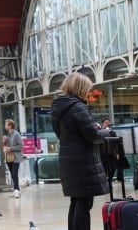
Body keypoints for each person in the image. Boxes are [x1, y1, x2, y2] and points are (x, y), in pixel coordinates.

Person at [51, 73, 110, 230]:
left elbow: (62, 134)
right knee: (84, 203)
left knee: (76, 201)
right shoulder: (77, 107)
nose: (88, 92)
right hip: (82, 161)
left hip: (68, 160)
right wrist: (106, 131)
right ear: (80, 88)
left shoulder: (60, 107)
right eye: (87, 89)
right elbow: (93, 135)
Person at [4, 119, 23, 198]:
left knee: (15, 173)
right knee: (12, 174)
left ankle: (16, 190)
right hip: (9, 158)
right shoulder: (8, 135)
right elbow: (7, 145)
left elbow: (20, 146)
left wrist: (10, 149)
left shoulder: (16, 134)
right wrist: (4, 142)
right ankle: (17, 189)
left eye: (6, 124)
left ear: (10, 126)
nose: (5, 126)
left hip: (16, 157)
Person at [99, 117, 118, 185]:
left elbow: (116, 143)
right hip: (103, 153)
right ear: (103, 123)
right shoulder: (100, 131)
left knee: (113, 167)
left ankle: (109, 179)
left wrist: (116, 152)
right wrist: (104, 130)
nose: (107, 124)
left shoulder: (112, 132)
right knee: (105, 168)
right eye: (106, 122)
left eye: (108, 122)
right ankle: (105, 182)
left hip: (111, 153)